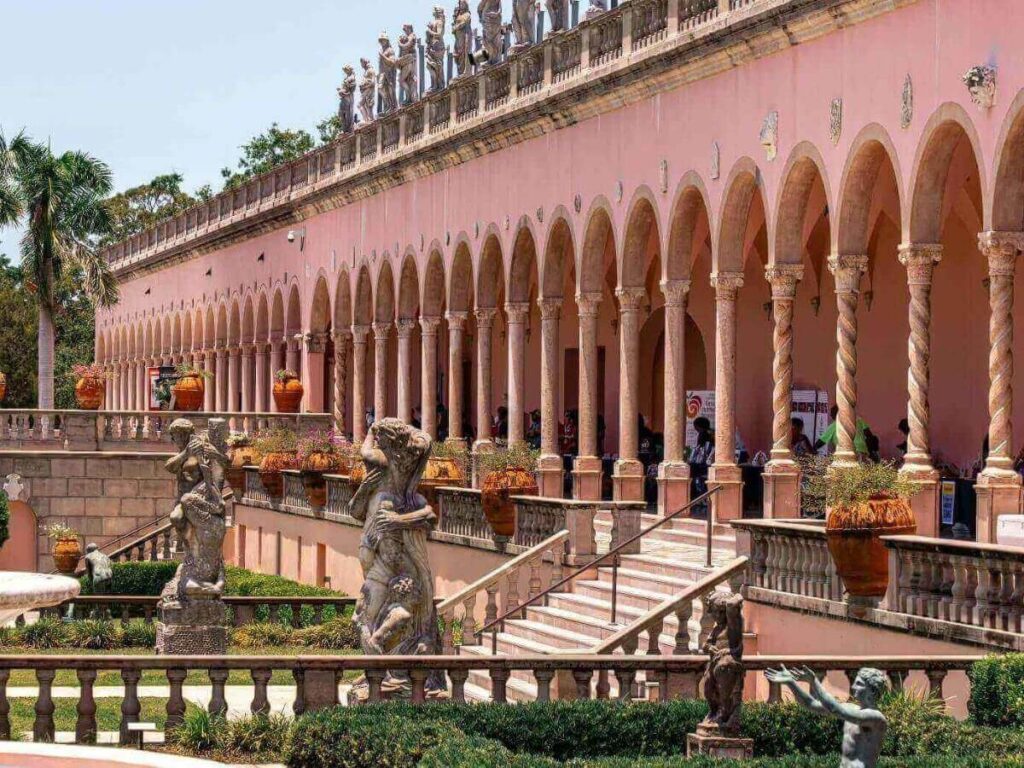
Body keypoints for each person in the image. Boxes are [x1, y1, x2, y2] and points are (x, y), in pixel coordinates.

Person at [765, 665, 887, 768]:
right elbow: (810, 704)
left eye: (859, 684)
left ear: (872, 690)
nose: (853, 687)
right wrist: (790, 682)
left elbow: (836, 709)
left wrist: (814, 681)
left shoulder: (876, 718)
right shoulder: (851, 708)